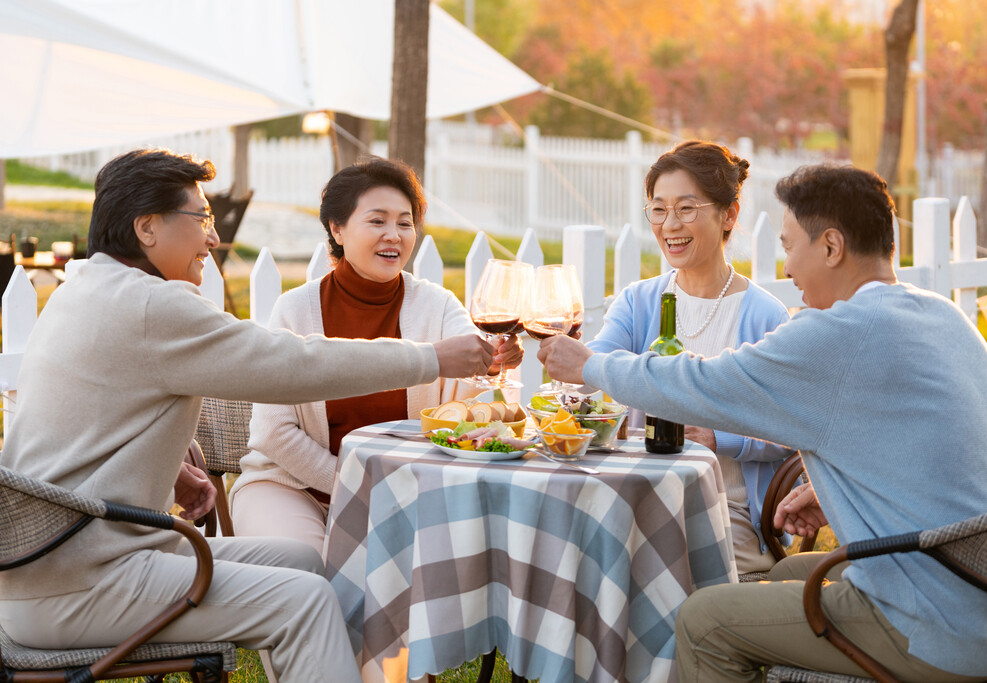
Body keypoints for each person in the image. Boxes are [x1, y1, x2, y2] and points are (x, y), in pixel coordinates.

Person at [0, 149, 495, 683]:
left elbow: (93, 418)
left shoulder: (84, 288)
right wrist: (431, 357)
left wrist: (172, 468)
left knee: (307, 567)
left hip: (60, 566)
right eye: (202, 218)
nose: (213, 239)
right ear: (147, 228)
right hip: (81, 586)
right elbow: (292, 364)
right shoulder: (151, 307)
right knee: (305, 601)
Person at [538, 164, 987, 681]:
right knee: (791, 570)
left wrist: (590, 365)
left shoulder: (835, 334)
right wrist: (834, 487)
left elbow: (704, 385)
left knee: (704, 622)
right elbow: (941, 446)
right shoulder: (943, 316)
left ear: (831, 247)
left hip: (930, 630)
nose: (787, 267)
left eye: (791, 246)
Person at [230, 157, 523, 551]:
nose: (394, 235)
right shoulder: (295, 309)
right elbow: (273, 432)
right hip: (292, 487)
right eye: (377, 221)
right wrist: (359, 482)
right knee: (304, 565)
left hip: (409, 487)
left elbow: (473, 360)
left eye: (405, 223)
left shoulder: (436, 304)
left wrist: (495, 361)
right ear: (337, 228)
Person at [588, 140, 793, 574]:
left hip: (726, 511)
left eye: (686, 208)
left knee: (631, 563)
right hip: (634, 492)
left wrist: (720, 439)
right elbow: (593, 375)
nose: (669, 224)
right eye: (658, 209)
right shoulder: (639, 302)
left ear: (729, 215)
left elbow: (790, 427)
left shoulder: (764, 314)